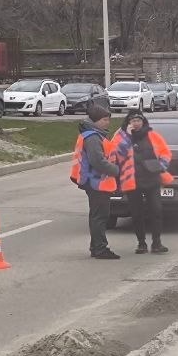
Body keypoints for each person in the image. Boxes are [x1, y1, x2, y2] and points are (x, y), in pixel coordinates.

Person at [112, 110, 173, 255]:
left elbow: (166, 152)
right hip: (132, 181)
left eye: (138, 120)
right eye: (132, 120)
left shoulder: (153, 135)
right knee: (136, 213)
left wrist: (160, 167)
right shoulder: (121, 137)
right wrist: (127, 136)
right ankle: (141, 244)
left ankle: (157, 243)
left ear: (143, 121)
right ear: (128, 123)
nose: (136, 123)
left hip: (152, 179)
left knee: (156, 210)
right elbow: (116, 154)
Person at [71, 104, 121, 260]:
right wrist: (117, 171)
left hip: (96, 181)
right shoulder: (92, 137)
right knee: (100, 216)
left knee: (98, 215)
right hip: (96, 182)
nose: (108, 122)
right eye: (105, 119)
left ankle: (96, 247)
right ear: (95, 121)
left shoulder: (95, 135)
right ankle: (100, 248)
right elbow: (97, 161)